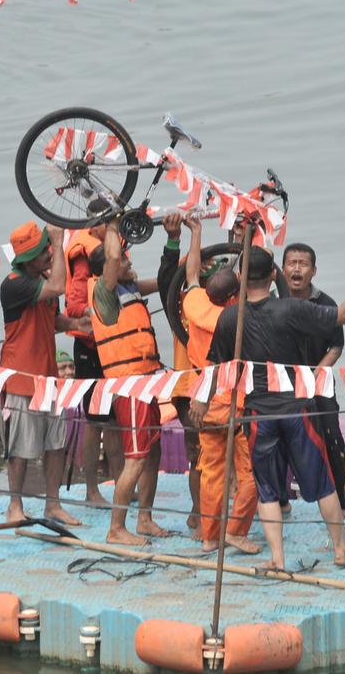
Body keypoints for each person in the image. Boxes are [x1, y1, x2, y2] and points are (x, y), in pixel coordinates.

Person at [195, 243, 345, 570]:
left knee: (268, 490)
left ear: (240, 278)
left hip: (259, 414)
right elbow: (343, 315)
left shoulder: (229, 318)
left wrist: (202, 400)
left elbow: (215, 368)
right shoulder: (292, 309)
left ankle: (277, 559)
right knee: (323, 483)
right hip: (298, 410)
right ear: (274, 274)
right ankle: (341, 550)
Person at [87, 216, 172, 545]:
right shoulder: (104, 293)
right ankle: (116, 529)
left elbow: (166, 281)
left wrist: (175, 239)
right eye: (124, 259)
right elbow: (111, 258)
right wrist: (111, 226)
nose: (129, 261)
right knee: (135, 459)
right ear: (108, 269)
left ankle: (145, 519)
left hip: (148, 382)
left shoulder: (130, 289)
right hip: (129, 386)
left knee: (153, 452)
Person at [0, 220, 87, 527]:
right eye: (43, 252)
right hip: (21, 378)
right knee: (19, 448)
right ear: (27, 260)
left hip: (48, 377)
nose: (49, 254)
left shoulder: (42, 280)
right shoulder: (14, 285)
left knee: (55, 443)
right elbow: (59, 286)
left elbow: (52, 319)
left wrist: (76, 324)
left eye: (48, 249)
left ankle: (53, 504)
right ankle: (14, 505)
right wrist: (59, 242)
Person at [182, 215, 259, 554]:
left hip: (202, 401)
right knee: (251, 473)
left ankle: (209, 537)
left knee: (211, 473)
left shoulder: (194, 303)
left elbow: (191, 274)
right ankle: (236, 531)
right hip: (234, 403)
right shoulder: (236, 319)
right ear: (233, 296)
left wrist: (196, 233)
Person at [63, 203, 123, 505]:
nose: (114, 227)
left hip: (112, 344)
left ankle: (122, 483)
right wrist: (97, 310)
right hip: (89, 348)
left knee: (114, 420)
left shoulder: (110, 246)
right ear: (95, 224)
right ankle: (91, 490)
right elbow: (73, 306)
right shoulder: (84, 256)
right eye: (109, 223)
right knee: (95, 421)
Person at [282, 242, 345, 512]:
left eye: (303, 264)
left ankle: (340, 501)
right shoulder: (274, 302)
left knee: (333, 440)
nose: (297, 269)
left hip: (319, 382)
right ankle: (281, 500)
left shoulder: (326, 304)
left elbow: (336, 347)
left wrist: (314, 374)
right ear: (283, 269)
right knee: (278, 440)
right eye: (292, 263)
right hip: (281, 384)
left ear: (314, 271)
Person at [155, 212, 203, 531]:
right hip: (187, 388)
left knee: (225, 452)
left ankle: (222, 509)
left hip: (221, 386)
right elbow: (166, 277)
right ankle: (199, 510)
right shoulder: (178, 303)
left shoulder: (218, 306)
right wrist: (174, 240)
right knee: (196, 452)